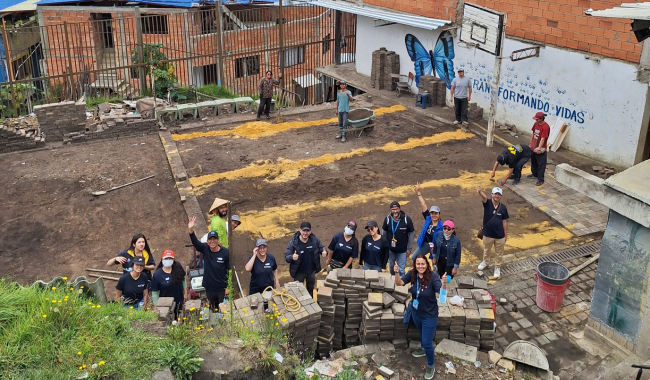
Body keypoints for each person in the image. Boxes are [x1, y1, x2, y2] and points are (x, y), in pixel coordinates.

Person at [394, 254, 445, 380]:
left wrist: (444, 284)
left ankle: (430, 365)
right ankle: (423, 349)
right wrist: (396, 273)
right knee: (422, 334)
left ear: (427, 264)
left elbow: (442, 297)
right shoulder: (412, 273)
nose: (420, 266)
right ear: (415, 265)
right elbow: (399, 283)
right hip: (416, 313)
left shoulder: (433, 277)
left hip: (430, 316)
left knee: (427, 342)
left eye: (423, 264)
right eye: (418, 264)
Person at [188, 216, 230, 311]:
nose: (212, 241)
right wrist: (190, 229)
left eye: (214, 239)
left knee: (223, 308)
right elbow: (195, 242)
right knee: (213, 308)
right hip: (209, 287)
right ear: (207, 241)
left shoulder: (225, 252)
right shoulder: (205, 249)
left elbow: (229, 269)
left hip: (221, 288)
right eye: (210, 239)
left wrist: (227, 287)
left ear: (218, 240)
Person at [284, 221, 327, 297]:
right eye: (304, 231)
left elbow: (322, 248)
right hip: (299, 273)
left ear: (310, 231)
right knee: (297, 292)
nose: (305, 233)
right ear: (300, 230)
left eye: (307, 231)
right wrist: (292, 257)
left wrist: (324, 252)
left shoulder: (314, 240)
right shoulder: (294, 242)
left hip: (311, 272)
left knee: (310, 290)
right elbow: (287, 257)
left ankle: (311, 305)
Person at [476, 186, 509, 279]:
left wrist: (505, 235)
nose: (496, 196)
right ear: (492, 194)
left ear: (501, 196)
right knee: (486, 250)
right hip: (488, 234)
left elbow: (504, 221)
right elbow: (484, 198)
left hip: (499, 235)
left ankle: (497, 267)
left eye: (498, 194)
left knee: (499, 253)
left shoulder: (503, 207)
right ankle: (485, 261)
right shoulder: (487, 203)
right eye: (495, 194)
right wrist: (480, 192)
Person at [382, 201, 415, 277]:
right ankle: (393, 283)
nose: (395, 211)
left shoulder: (407, 219)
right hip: (390, 250)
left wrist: (409, 249)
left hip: (402, 251)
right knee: (391, 267)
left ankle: (401, 286)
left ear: (400, 209)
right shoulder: (387, 219)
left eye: (396, 209)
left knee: (401, 270)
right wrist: (384, 248)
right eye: (393, 209)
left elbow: (411, 234)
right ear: (390, 210)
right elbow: (384, 234)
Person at [151, 250, 187, 317]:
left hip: (179, 301)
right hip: (165, 305)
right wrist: (156, 305)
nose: (168, 260)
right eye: (166, 258)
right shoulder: (157, 275)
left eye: (170, 258)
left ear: (173, 259)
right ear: (162, 259)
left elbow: (183, 279)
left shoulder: (178, 267)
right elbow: (154, 292)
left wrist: (185, 293)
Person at [412, 182, 443, 261]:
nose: (434, 215)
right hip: (425, 244)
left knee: (435, 264)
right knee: (414, 258)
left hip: (435, 247)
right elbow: (423, 204)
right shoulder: (428, 219)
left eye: (436, 213)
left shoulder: (442, 226)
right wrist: (418, 192)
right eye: (432, 213)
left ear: (439, 214)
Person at [528, 112, 550, 187]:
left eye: (537, 119)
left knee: (541, 164)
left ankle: (540, 179)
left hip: (540, 147)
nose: (536, 120)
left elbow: (543, 139)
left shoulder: (545, 127)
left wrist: (539, 148)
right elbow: (533, 133)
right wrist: (531, 143)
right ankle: (534, 174)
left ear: (541, 119)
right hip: (534, 146)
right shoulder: (536, 124)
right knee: (533, 161)